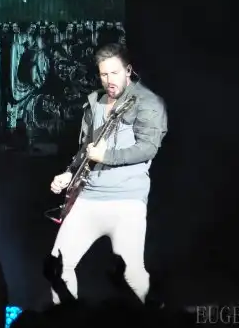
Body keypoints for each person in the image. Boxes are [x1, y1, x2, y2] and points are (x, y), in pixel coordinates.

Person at [49, 43, 168, 304]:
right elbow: (86, 148)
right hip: (88, 199)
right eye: (104, 74)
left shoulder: (147, 102)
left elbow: (148, 148)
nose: (109, 80)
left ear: (128, 70)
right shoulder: (96, 101)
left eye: (114, 73)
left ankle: (157, 318)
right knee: (59, 265)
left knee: (132, 274)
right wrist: (69, 173)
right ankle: (65, 319)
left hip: (126, 201)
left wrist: (106, 156)